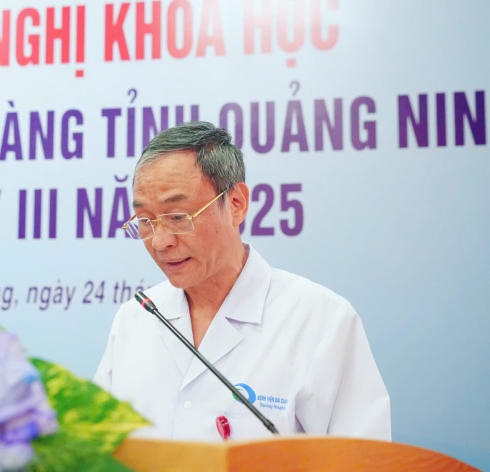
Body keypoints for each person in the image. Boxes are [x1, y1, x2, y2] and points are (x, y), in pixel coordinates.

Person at [93, 121, 391, 442]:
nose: (160, 241)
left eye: (178, 217)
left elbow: (364, 457)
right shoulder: (135, 319)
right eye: (145, 220)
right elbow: (94, 448)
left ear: (236, 204)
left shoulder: (320, 320)